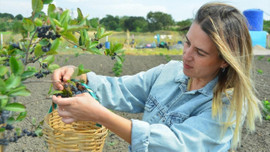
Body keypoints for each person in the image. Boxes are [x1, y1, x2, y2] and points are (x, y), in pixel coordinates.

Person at [51, 2, 262, 151]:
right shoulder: (170, 72)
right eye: (187, 42)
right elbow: (124, 89)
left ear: (225, 60)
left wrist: (101, 116)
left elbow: (175, 145)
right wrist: (83, 77)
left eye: (200, 52)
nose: (186, 56)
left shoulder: (226, 105)